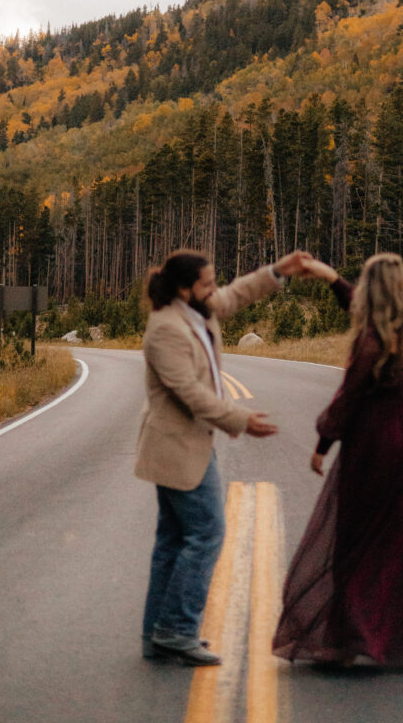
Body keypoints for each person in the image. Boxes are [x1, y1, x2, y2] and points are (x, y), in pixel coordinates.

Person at [273, 253, 403, 668]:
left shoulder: (370, 340)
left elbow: (348, 398)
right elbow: (357, 304)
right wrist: (329, 277)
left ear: (370, 291)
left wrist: (322, 443)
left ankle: (347, 638)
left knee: (355, 536)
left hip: (373, 442)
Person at [136, 248, 307, 666]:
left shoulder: (198, 311)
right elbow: (191, 395)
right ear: (183, 289)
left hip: (191, 445)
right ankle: (177, 630)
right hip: (177, 446)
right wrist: (241, 419)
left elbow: (237, 294)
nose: (214, 291)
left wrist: (277, 272)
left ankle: (158, 634)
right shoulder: (165, 329)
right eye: (206, 285)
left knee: (174, 540)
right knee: (207, 534)